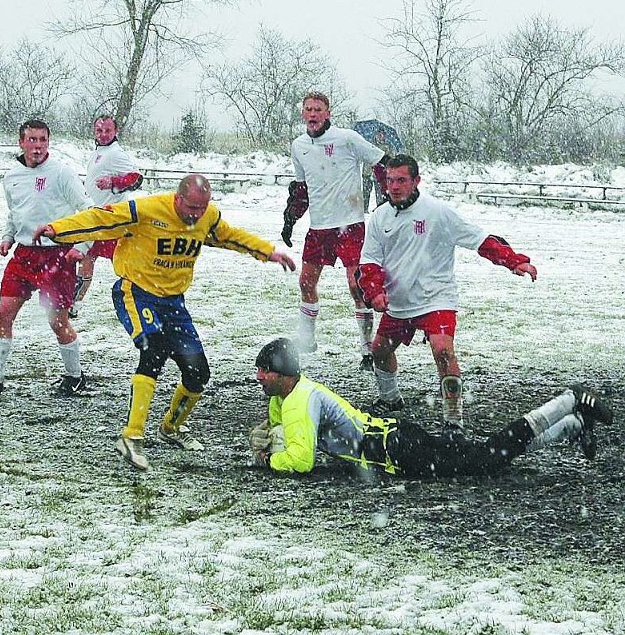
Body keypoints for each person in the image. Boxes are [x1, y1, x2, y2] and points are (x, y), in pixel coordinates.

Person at [33, 174, 295, 472]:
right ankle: (131, 436)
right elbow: (100, 218)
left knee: (198, 373)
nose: (196, 215)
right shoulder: (146, 210)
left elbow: (229, 235)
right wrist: (58, 229)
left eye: (202, 208)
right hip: (136, 291)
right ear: (177, 198)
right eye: (192, 207)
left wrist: (268, 252)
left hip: (174, 303)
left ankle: (171, 427)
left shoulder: (208, 216)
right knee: (153, 349)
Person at [249, 338, 613, 477]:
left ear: (279, 373)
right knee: (488, 455)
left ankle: (568, 400)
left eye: (263, 372)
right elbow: (284, 425)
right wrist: (271, 433)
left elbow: (300, 462)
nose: (259, 379)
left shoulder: (297, 401)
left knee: (487, 458)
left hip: (401, 452)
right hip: (398, 441)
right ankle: (571, 424)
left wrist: (269, 459)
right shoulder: (294, 393)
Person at [357, 154, 538, 426]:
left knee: (442, 350)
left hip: (435, 298)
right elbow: (369, 261)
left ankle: (453, 419)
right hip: (400, 301)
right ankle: (391, 399)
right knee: (379, 351)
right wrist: (374, 291)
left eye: (401, 180)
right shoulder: (380, 217)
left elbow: (479, 240)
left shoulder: (437, 212)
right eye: (390, 180)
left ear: (416, 181)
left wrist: (513, 261)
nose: (394, 186)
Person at [0, 119, 94, 400]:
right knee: (3, 312)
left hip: (56, 255)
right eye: (32, 140)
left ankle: (75, 377)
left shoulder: (62, 174)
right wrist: (8, 238)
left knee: (58, 323)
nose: (37, 146)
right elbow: (16, 212)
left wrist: (81, 245)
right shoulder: (11, 177)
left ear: (49, 142)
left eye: (42, 140)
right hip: (24, 255)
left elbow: (90, 212)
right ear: (21, 142)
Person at [282, 92, 390, 371]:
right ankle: (308, 339)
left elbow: (381, 162)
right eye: (308, 109)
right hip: (319, 229)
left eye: (318, 109)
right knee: (306, 282)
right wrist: (290, 219)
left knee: (357, 287)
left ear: (328, 113)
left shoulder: (347, 138)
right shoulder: (299, 145)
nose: (313, 114)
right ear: (303, 114)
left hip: (351, 225)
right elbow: (302, 189)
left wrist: (388, 201)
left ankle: (367, 349)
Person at [69, 115, 143, 318]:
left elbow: (137, 179)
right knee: (86, 258)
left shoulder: (116, 153)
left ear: (115, 132)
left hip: (111, 219)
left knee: (121, 263)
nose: (103, 134)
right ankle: (74, 305)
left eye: (107, 131)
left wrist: (114, 182)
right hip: (95, 215)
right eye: (99, 131)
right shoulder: (99, 152)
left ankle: (141, 297)